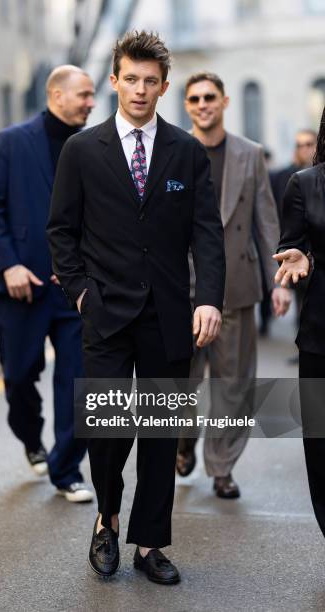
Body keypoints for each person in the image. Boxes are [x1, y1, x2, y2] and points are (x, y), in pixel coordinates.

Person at [47, 31, 225, 584]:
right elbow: (62, 232)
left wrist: (209, 300)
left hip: (169, 316)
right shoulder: (81, 150)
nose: (141, 90)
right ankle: (107, 520)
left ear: (164, 86)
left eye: (152, 81)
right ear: (114, 80)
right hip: (104, 314)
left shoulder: (186, 152)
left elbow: (207, 236)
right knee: (107, 432)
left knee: (158, 434)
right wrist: (80, 293)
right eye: (132, 78)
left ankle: (150, 543)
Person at [0, 66, 95, 502]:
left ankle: (67, 470)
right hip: (21, 285)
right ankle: (31, 438)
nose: (91, 102)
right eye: (83, 94)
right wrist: (7, 265)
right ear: (56, 94)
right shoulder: (12, 141)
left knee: (79, 380)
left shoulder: (92, 144)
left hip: (76, 288)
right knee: (19, 377)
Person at [177, 72, 290, 498]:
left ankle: (222, 467)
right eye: (195, 98)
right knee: (181, 382)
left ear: (224, 102)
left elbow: (266, 220)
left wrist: (277, 281)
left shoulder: (249, 153)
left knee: (234, 383)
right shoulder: (173, 149)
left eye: (210, 97)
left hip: (238, 286)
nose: (203, 104)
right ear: (187, 105)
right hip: (183, 289)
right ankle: (183, 442)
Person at [274, 105, 325, 538]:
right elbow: (293, 244)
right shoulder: (305, 184)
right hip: (320, 334)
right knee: (321, 442)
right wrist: (303, 256)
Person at [270, 129, 317, 350]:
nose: (305, 149)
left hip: (317, 256)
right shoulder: (286, 178)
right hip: (294, 253)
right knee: (302, 306)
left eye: (309, 144)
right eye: (300, 145)